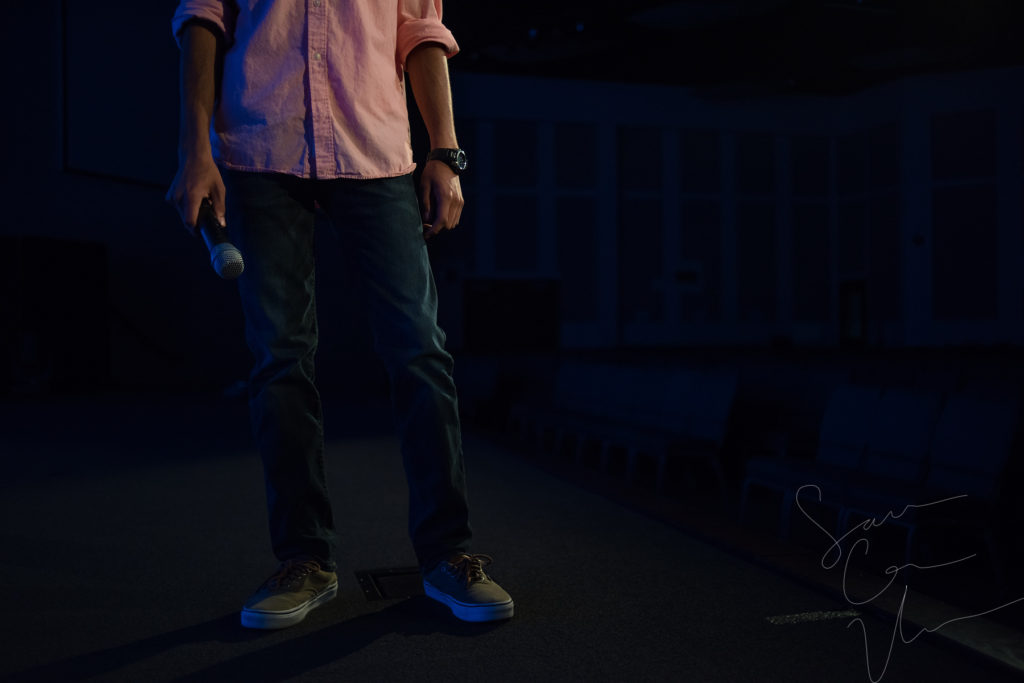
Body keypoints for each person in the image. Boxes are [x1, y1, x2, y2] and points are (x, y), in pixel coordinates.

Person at [165, 0, 513, 629]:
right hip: (258, 146)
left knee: (420, 351)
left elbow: (420, 30)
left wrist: (447, 151)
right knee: (280, 359)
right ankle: (304, 559)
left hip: (373, 145)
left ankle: (447, 554)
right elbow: (203, 18)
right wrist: (196, 149)